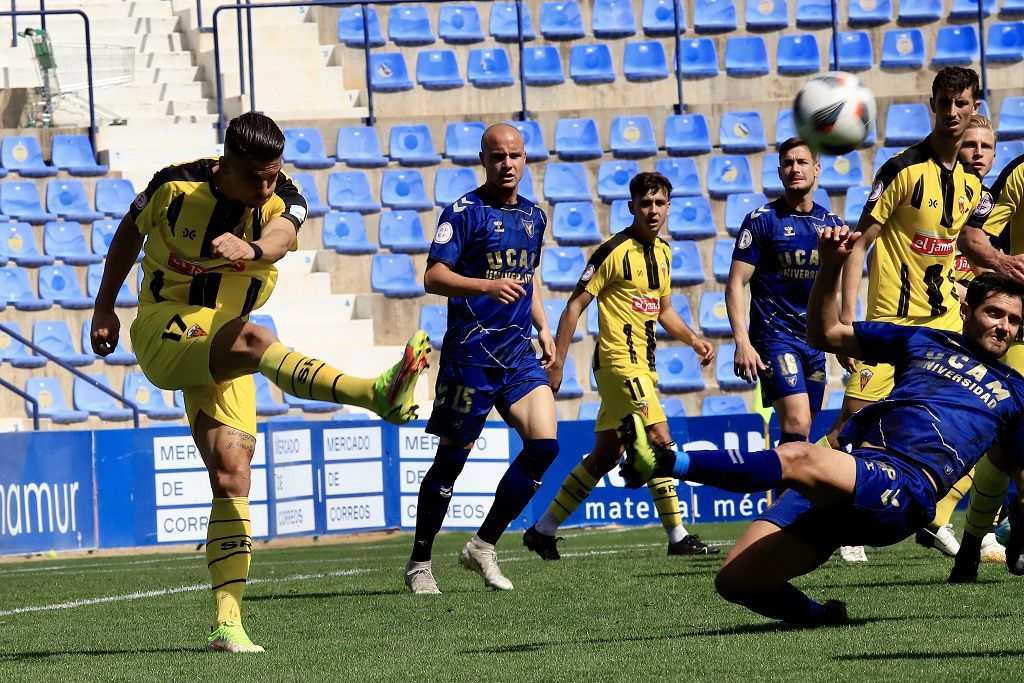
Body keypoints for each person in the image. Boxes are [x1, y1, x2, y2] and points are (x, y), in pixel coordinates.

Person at [90, 112, 430, 652]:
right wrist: (104, 305)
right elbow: (130, 230)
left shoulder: (282, 195)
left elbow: (280, 236)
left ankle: (228, 625)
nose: (267, 187)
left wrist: (251, 250)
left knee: (233, 476)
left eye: (273, 174)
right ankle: (373, 393)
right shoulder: (174, 187)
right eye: (256, 177)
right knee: (254, 338)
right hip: (166, 328)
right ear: (226, 165)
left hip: (220, 347)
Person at [617, 224, 1024, 626]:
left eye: (1013, 320)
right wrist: (830, 265)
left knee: (797, 454)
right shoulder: (922, 341)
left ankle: (665, 462)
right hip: (853, 471)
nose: (1003, 326)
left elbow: (1015, 474)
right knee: (736, 581)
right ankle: (822, 615)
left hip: (905, 489)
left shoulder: (1016, 392)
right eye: (994, 313)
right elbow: (825, 333)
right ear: (967, 309)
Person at [821, 67, 984, 563]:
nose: (952, 113)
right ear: (931, 103)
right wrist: (849, 321)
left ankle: (935, 520)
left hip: (946, 329)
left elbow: (967, 251)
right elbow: (858, 245)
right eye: (944, 103)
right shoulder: (901, 170)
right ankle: (802, 495)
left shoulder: (972, 186)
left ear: (975, 106)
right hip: (892, 326)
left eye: (962, 104)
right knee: (852, 420)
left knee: (983, 420)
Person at [523, 172, 718, 560]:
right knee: (660, 438)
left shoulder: (663, 254)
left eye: (660, 203)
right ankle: (678, 536)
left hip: (644, 367)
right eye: (645, 203)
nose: (653, 211)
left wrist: (694, 338)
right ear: (631, 207)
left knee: (605, 455)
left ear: (668, 207)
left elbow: (663, 311)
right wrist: (558, 362)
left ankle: (543, 530)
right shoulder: (613, 251)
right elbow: (575, 304)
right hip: (618, 363)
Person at [404, 123, 559, 594]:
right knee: (451, 462)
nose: (507, 164)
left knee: (544, 446)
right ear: (483, 160)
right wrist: (487, 286)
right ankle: (419, 562)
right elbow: (433, 277)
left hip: (516, 353)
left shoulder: (535, 217)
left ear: (525, 158)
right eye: (497, 156)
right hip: (469, 355)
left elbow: (527, 278)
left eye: (514, 155)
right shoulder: (464, 212)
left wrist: (544, 326)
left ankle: (483, 545)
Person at [915, 114, 1005, 560]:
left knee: (984, 426)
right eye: (970, 144)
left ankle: (948, 516)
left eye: (986, 147)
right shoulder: (937, 190)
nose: (978, 154)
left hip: (959, 322)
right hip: (928, 321)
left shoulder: (985, 201)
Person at [726, 137, 843, 445]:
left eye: (802, 162)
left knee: (801, 436)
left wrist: (841, 338)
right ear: (779, 172)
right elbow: (736, 284)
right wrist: (742, 342)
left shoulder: (831, 225)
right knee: (797, 420)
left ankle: (787, 495)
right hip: (774, 338)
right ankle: (785, 495)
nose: (795, 169)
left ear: (816, 170)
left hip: (815, 341)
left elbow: (834, 290)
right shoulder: (761, 221)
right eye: (788, 163)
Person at [950, 120, 1024, 581]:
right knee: (1010, 447)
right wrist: (1005, 265)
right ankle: (977, 541)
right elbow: (973, 237)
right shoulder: (1020, 173)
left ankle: (987, 538)